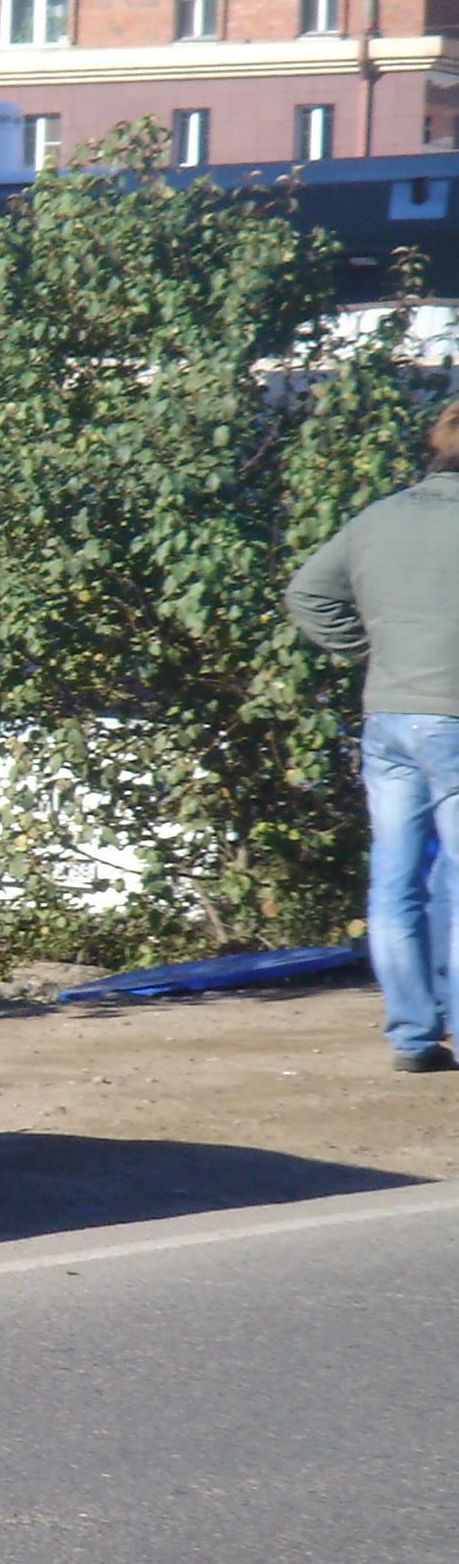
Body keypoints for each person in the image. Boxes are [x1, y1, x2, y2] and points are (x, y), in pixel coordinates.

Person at [286, 399, 459, 1071]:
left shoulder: (380, 516)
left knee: (394, 879)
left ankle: (412, 1036)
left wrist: (371, 650)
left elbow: (307, 593)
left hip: (387, 717)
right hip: (453, 717)